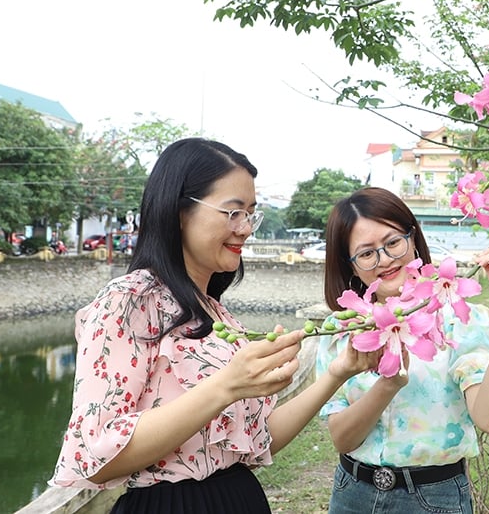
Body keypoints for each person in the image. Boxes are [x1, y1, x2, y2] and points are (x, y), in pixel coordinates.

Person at [49, 138, 377, 513]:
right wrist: (227, 386)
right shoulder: (129, 300)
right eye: (233, 212)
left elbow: (260, 442)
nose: (245, 228)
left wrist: (337, 373)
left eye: (252, 214)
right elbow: (97, 454)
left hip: (239, 498)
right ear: (178, 211)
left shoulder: (218, 315)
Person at [315, 186, 489, 514]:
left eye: (393, 242)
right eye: (367, 253)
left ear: (413, 237)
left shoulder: (457, 317)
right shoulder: (343, 330)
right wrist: (387, 385)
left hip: (434, 498)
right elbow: (342, 439)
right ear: (350, 265)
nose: (385, 260)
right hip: (352, 494)